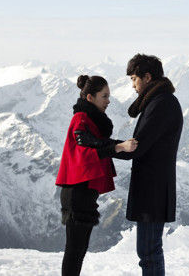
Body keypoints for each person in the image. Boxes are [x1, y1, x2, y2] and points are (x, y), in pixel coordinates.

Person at [55, 75, 138, 276]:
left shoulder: (90, 119)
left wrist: (127, 149)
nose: (108, 100)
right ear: (90, 97)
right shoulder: (80, 119)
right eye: (104, 96)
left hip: (84, 191)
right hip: (77, 192)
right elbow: (87, 144)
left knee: (79, 250)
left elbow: (100, 143)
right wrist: (119, 147)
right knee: (75, 250)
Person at [114, 54, 184, 275]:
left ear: (147, 77)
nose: (133, 85)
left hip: (153, 191)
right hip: (153, 189)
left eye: (134, 79)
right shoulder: (159, 102)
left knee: (149, 252)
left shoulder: (161, 104)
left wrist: (106, 148)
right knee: (148, 251)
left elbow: (138, 146)